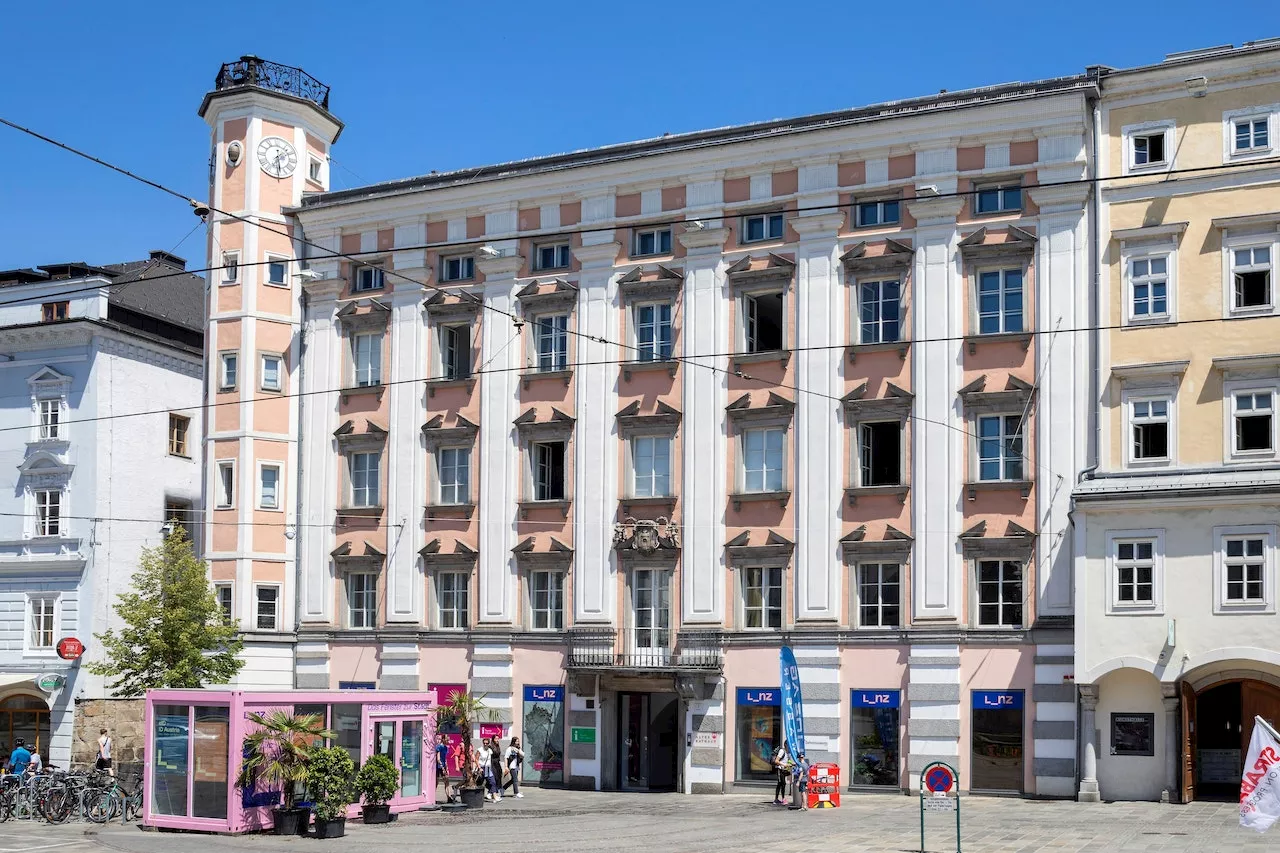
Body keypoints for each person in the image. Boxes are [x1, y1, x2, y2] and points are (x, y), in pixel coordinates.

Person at [435, 734, 452, 801]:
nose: (448, 741)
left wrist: (446, 768)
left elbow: (445, 759)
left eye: (449, 740)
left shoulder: (445, 747)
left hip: (443, 766)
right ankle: (432, 797)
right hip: (438, 766)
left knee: (447, 781)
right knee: (436, 782)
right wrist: (442, 768)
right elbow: (438, 759)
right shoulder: (439, 747)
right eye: (447, 739)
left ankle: (449, 797)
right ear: (443, 739)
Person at [488, 737, 505, 802]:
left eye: (498, 738)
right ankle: (490, 792)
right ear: (493, 739)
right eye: (496, 739)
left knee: (498, 777)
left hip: (497, 763)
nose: (497, 740)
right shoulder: (490, 746)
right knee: (493, 778)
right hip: (492, 763)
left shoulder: (497, 746)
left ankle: (493, 792)